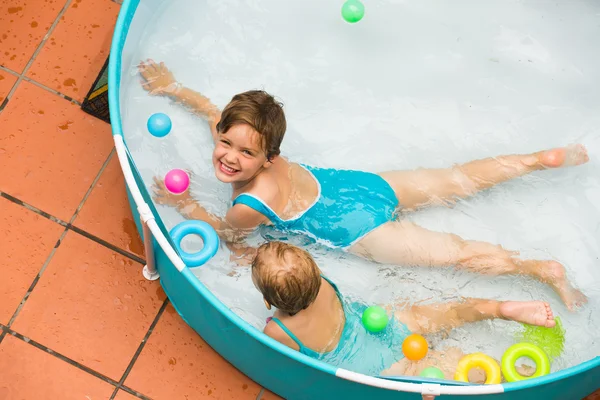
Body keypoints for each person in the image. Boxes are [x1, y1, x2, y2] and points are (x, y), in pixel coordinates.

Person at [139, 60, 588, 309]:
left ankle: (540, 270)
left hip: (360, 230)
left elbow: (225, 234)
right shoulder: (258, 142)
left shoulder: (250, 202)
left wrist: (184, 204)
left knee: (459, 254)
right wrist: (174, 88)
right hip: (363, 186)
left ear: (268, 157)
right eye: (224, 143)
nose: (230, 157)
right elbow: (211, 110)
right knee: (457, 178)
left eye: (245, 153)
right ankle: (536, 159)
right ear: (222, 133)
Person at [251, 241, 550, 378]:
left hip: (369, 363)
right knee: (448, 313)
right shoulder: (324, 285)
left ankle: (512, 373)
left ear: (267, 301)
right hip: (378, 321)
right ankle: (501, 307)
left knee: (446, 369)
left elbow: (283, 363)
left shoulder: (277, 330)